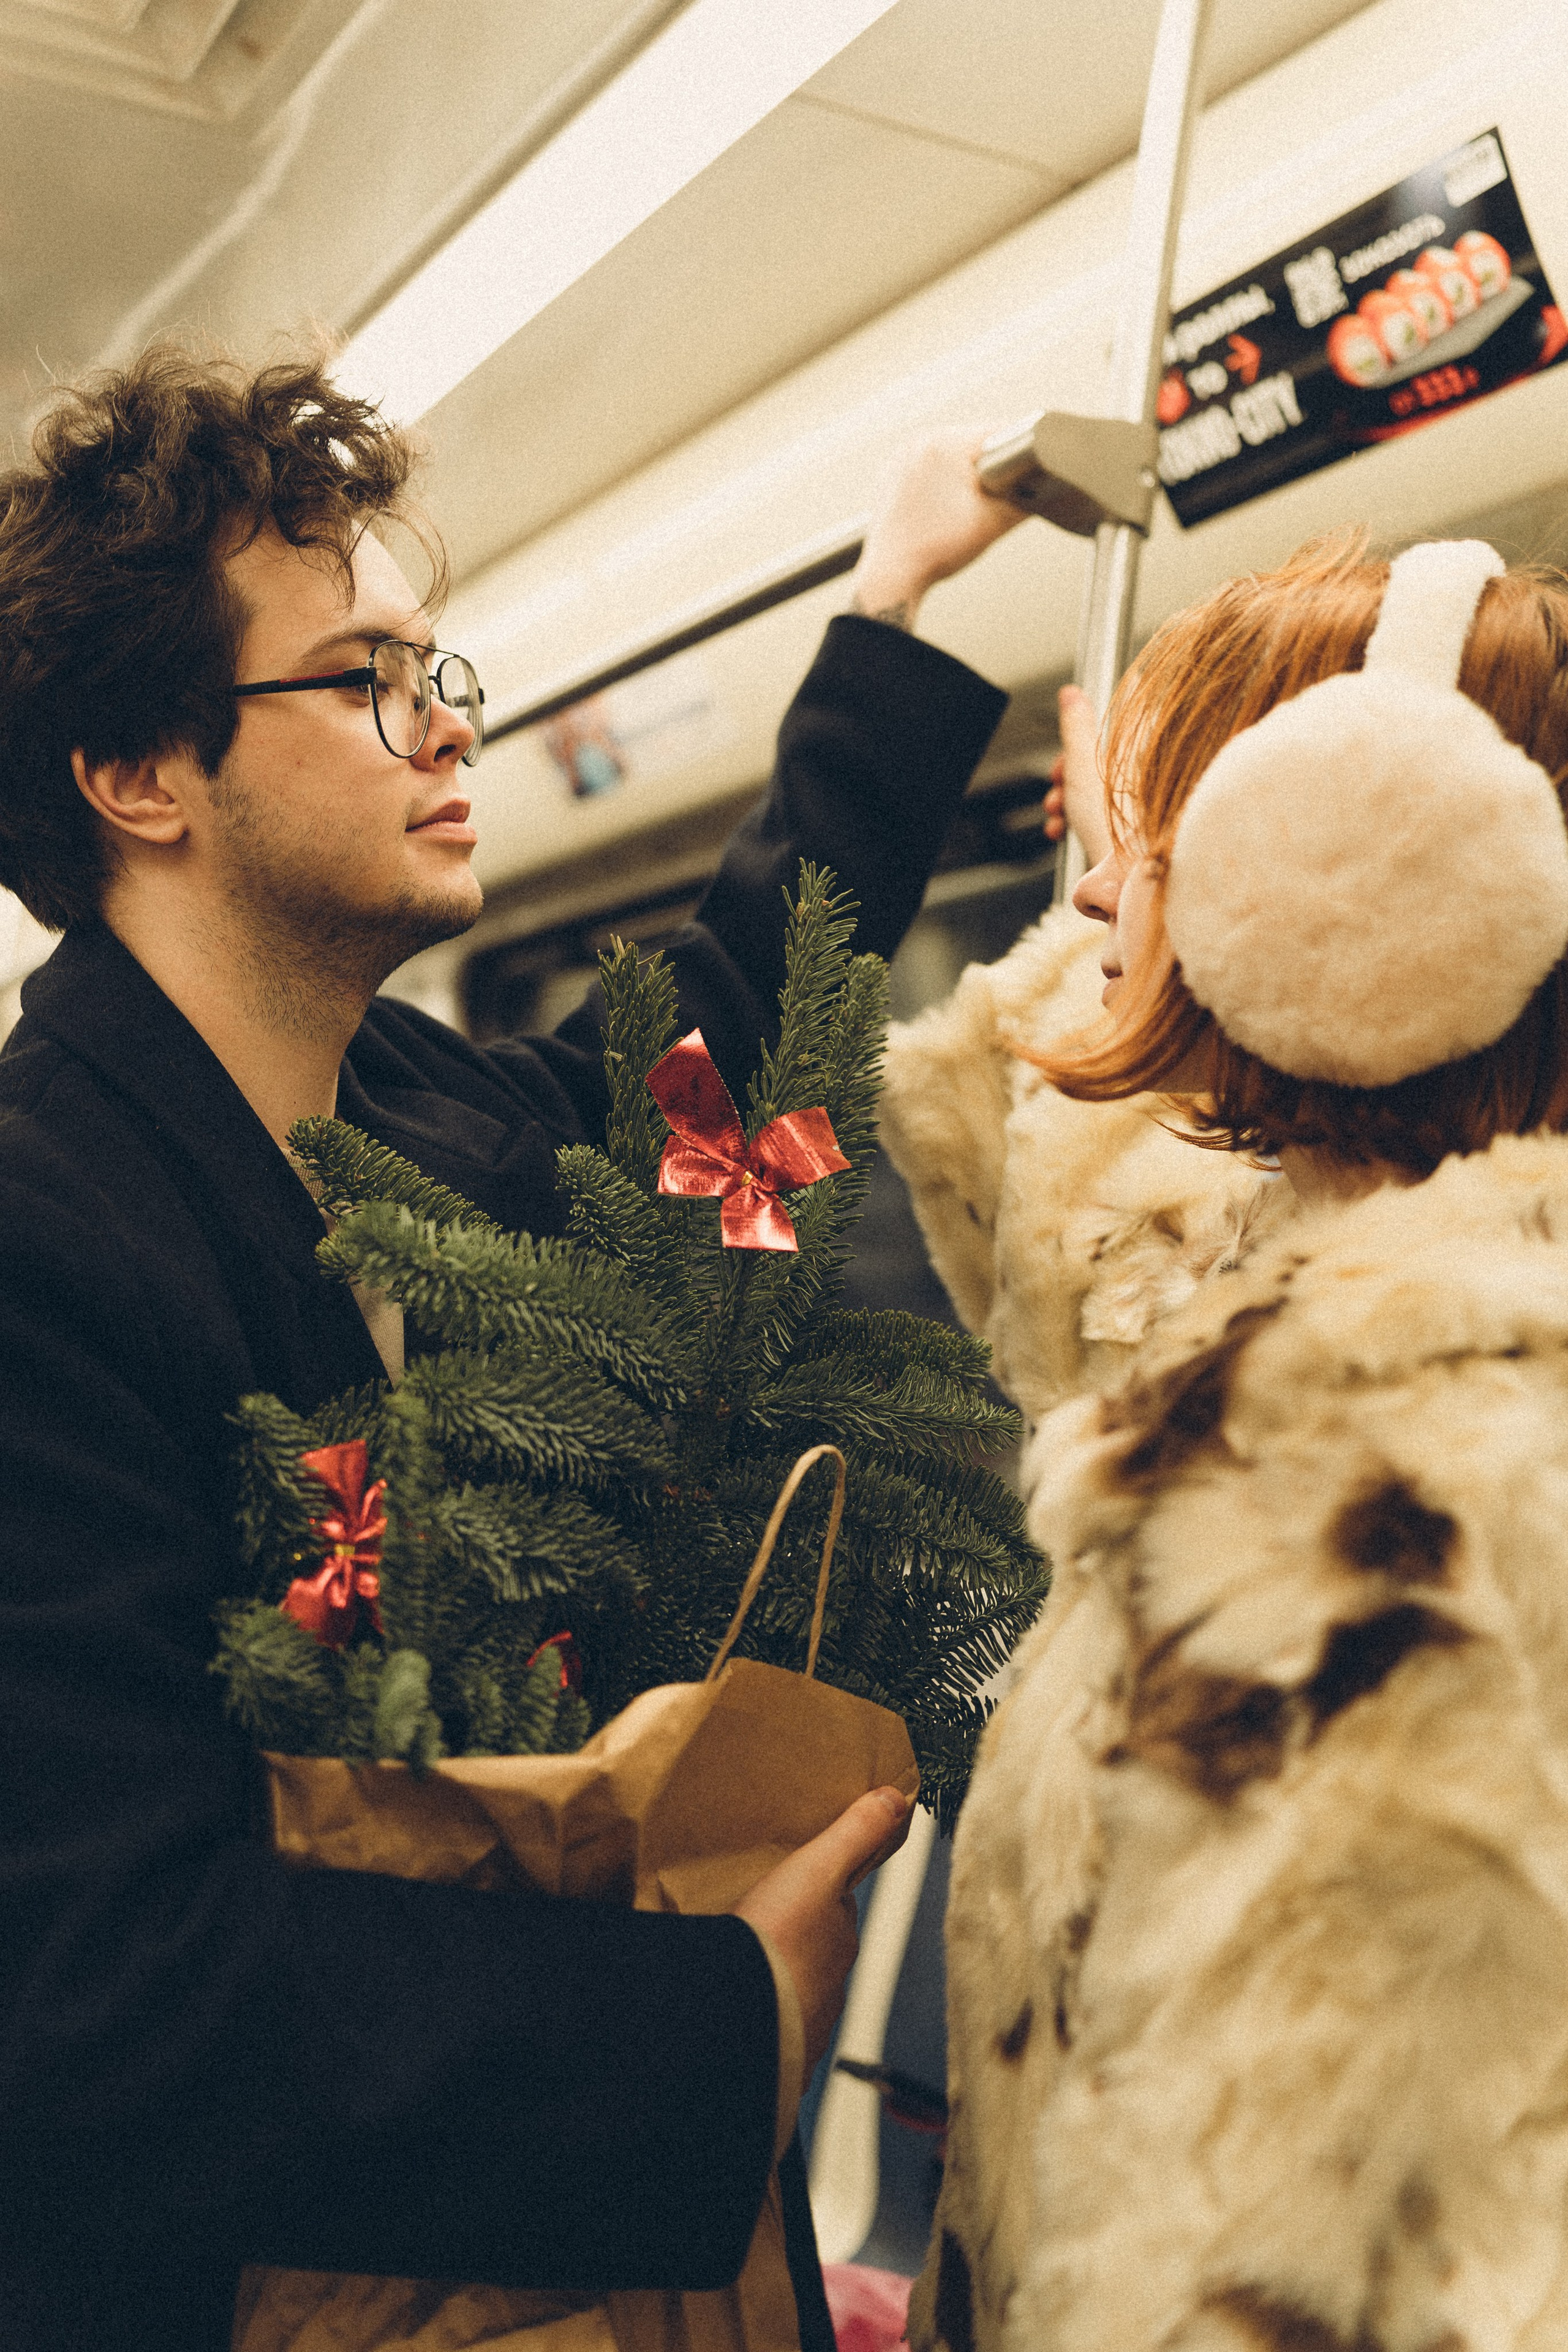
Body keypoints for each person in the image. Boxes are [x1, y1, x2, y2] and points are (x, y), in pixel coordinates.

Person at [0, 348, 1027, 2352]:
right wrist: (724, 2021)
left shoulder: (419, 1104)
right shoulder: (46, 1253)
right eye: (367, 679)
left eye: (434, 667)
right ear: (138, 775)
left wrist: (890, 610)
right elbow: (100, 1983)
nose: (445, 721)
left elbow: (722, 1044)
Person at [883, 532, 1568, 2351]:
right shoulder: (1341, 1271)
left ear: (1348, 884)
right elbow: (1075, 1244)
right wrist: (1143, 913)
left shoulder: (1377, 1452)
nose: (1102, 897)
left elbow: (1257, 2249)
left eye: (1171, 850)